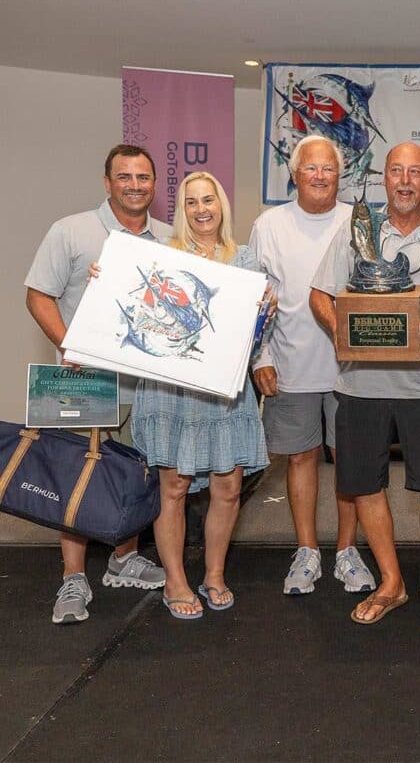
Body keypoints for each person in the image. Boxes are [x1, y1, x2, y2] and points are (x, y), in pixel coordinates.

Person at [310, 143, 420, 625]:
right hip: (360, 386)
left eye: (414, 172)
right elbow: (319, 293)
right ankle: (392, 581)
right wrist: (342, 335)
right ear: (384, 177)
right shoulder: (357, 229)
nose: (404, 180)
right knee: (364, 485)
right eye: (396, 170)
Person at [113, 171, 270, 618]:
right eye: (192, 202)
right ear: (181, 211)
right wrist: (106, 279)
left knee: (228, 486)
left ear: (222, 205)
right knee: (174, 486)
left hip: (224, 394)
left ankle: (215, 574)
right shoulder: (159, 259)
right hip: (170, 394)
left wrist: (264, 317)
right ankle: (177, 581)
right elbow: (134, 318)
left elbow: (251, 345)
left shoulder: (246, 263)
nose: (202, 209)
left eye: (209, 200)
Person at [25, 144, 168, 624]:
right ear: (107, 183)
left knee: (135, 476)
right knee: (75, 477)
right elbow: (38, 295)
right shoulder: (70, 230)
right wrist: (70, 345)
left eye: (143, 177)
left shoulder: (169, 239)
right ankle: (72, 578)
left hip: (146, 386)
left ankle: (124, 558)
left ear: (154, 184)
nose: (134, 185)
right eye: (124, 177)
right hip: (83, 381)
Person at [250, 135, 375, 596]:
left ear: (340, 175)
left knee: (351, 462)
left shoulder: (357, 220)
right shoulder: (269, 225)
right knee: (300, 458)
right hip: (289, 364)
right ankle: (306, 551)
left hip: (354, 370)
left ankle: (346, 551)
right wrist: (260, 356)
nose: (320, 176)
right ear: (294, 173)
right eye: (311, 168)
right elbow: (256, 298)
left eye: (329, 168)